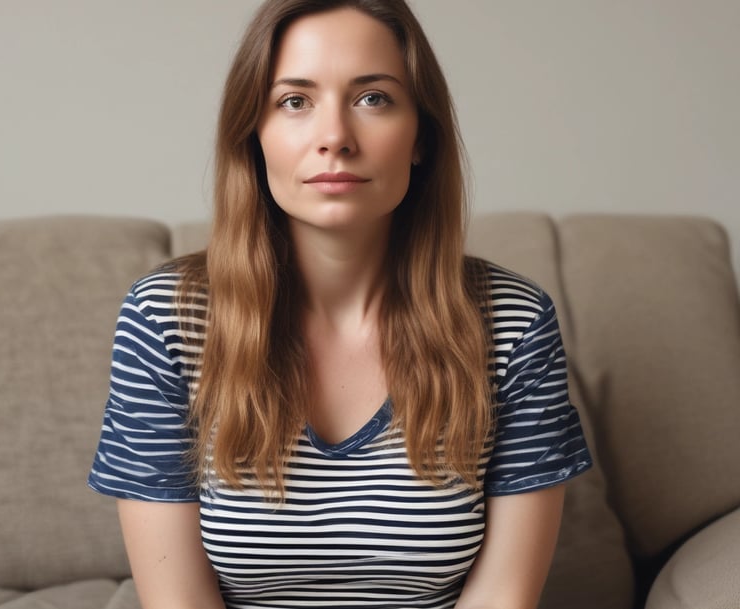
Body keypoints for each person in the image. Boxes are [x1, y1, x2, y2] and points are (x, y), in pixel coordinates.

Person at [88, 1, 592, 608]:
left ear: (421, 137)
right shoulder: (166, 318)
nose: (334, 138)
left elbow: (503, 596)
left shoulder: (513, 322)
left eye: (373, 98)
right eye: (294, 101)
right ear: (254, 135)